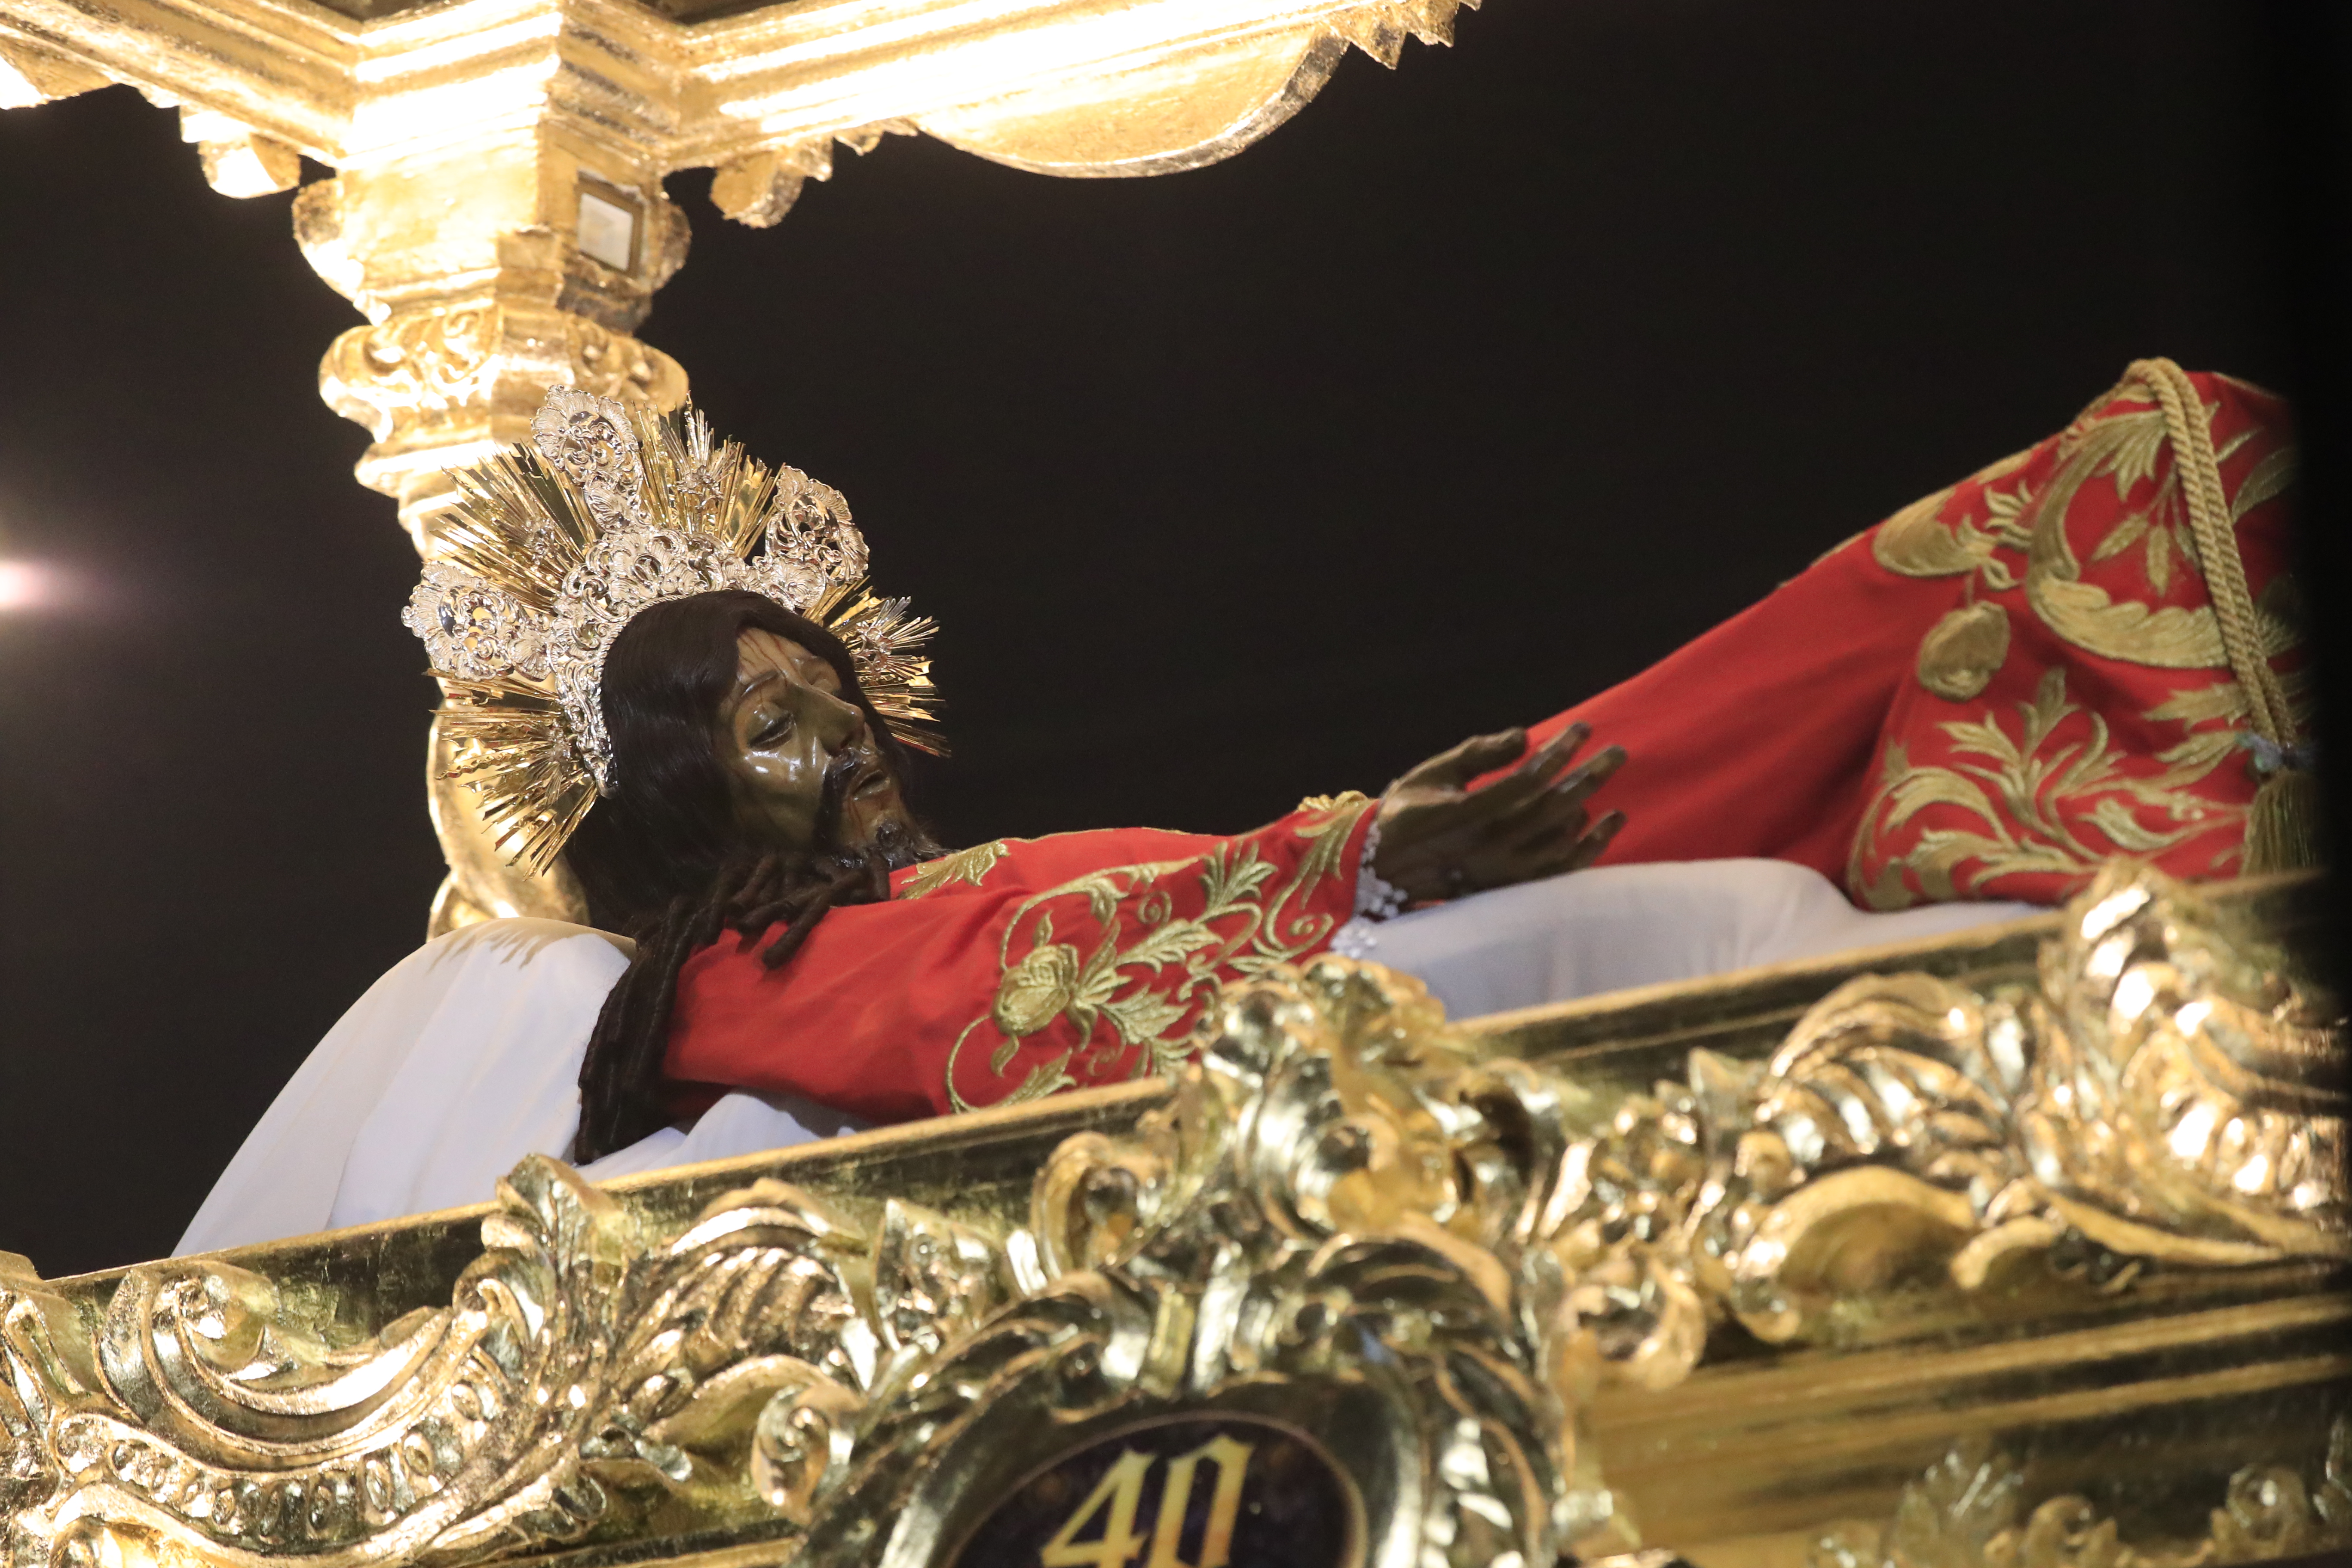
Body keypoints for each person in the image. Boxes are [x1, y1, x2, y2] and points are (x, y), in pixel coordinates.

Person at [177, 361, 2308, 1253]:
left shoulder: (947, 871)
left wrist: (1360, 860)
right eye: (754, 727)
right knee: (1780, 722)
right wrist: (1373, 857)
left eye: (828, 696)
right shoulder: (728, 973)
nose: (828, 744)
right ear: (662, 801)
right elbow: (1001, 1006)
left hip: (1346, 909)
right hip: (1340, 939)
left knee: (1782, 716)